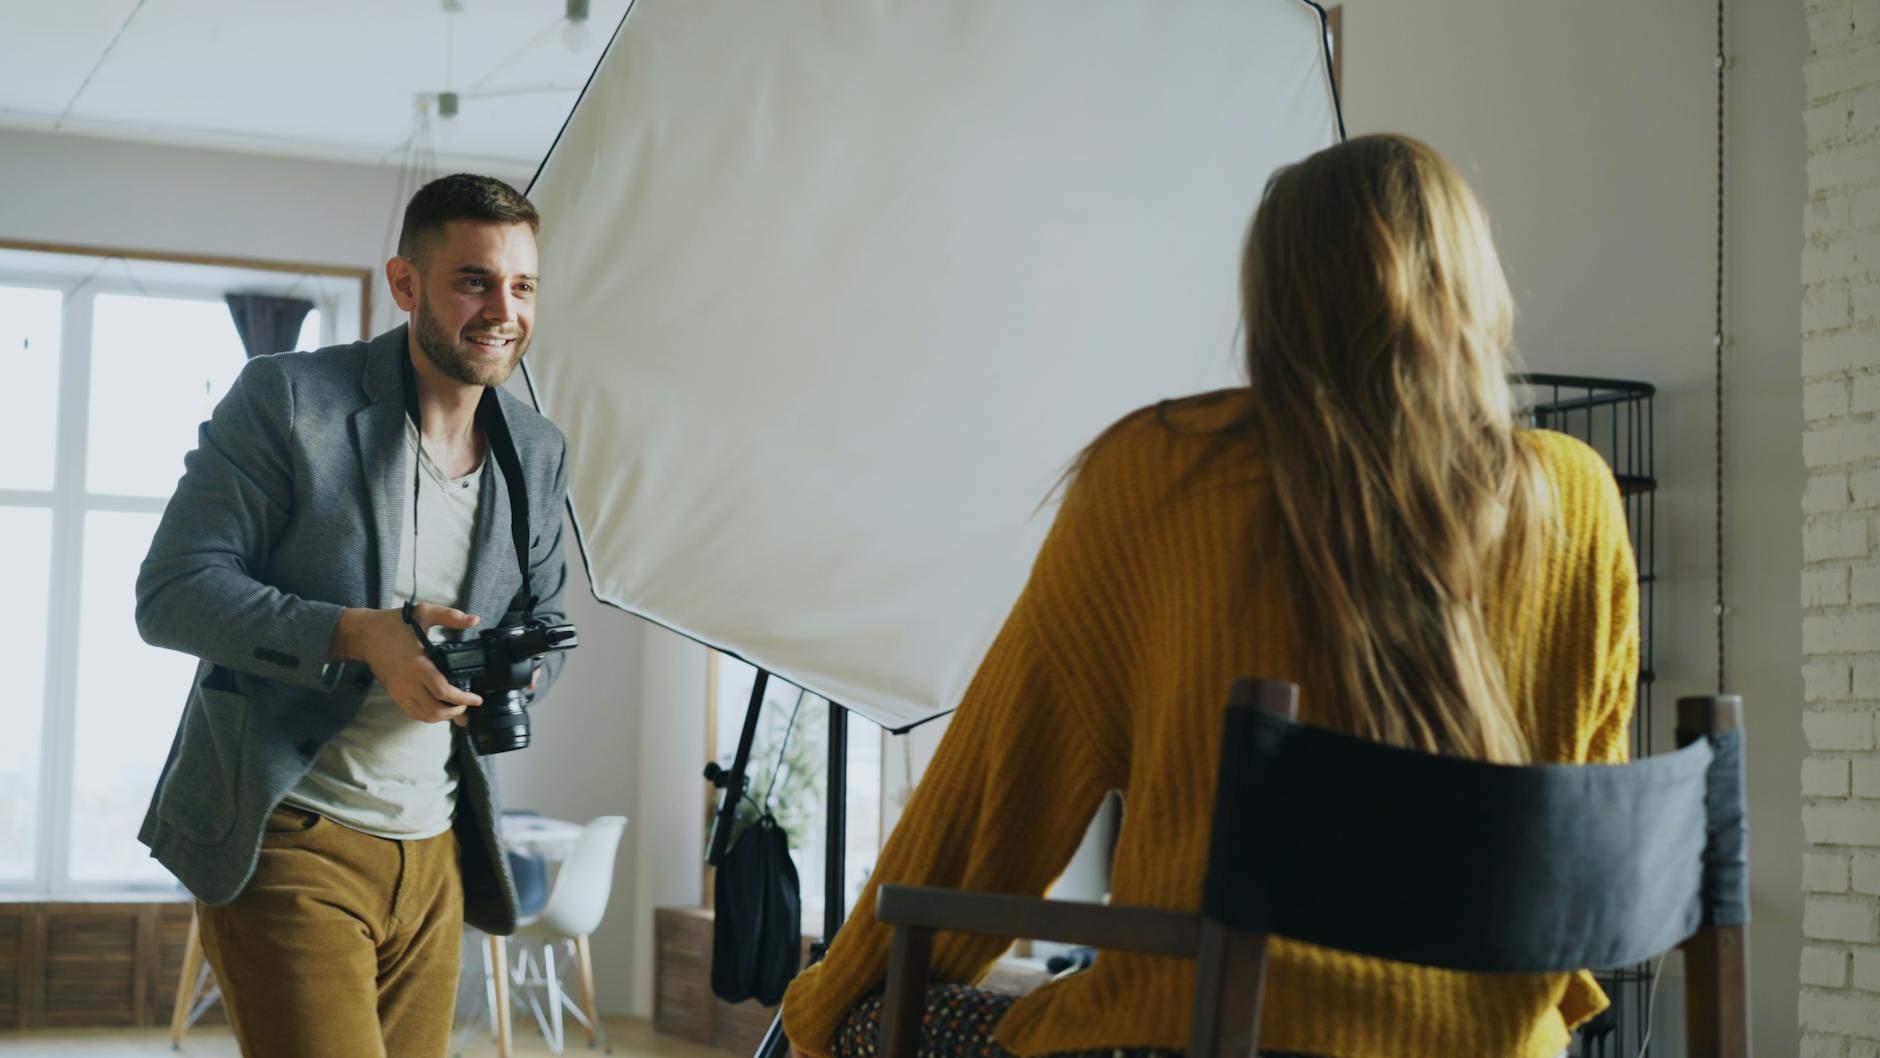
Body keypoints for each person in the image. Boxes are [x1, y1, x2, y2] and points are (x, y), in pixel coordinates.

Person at [781, 134, 1639, 1058]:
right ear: (1474, 286)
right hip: (1497, 1044)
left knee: (876, 1022)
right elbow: (1591, 854)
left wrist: (829, 1005)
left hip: (1189, 1037)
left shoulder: (1162, 476)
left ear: (1273, 301)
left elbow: (993, 793)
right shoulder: (1579, 498)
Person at [135, 173, 571, 1058]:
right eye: (474, 281)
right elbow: (174, 591)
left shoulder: (536, 449)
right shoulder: (290, 400)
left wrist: (507, 673)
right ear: (406, 284)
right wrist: (358, 634)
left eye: (522, 285)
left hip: (437, 848)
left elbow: (548, 620)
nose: (503, 311)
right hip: (290, 829)